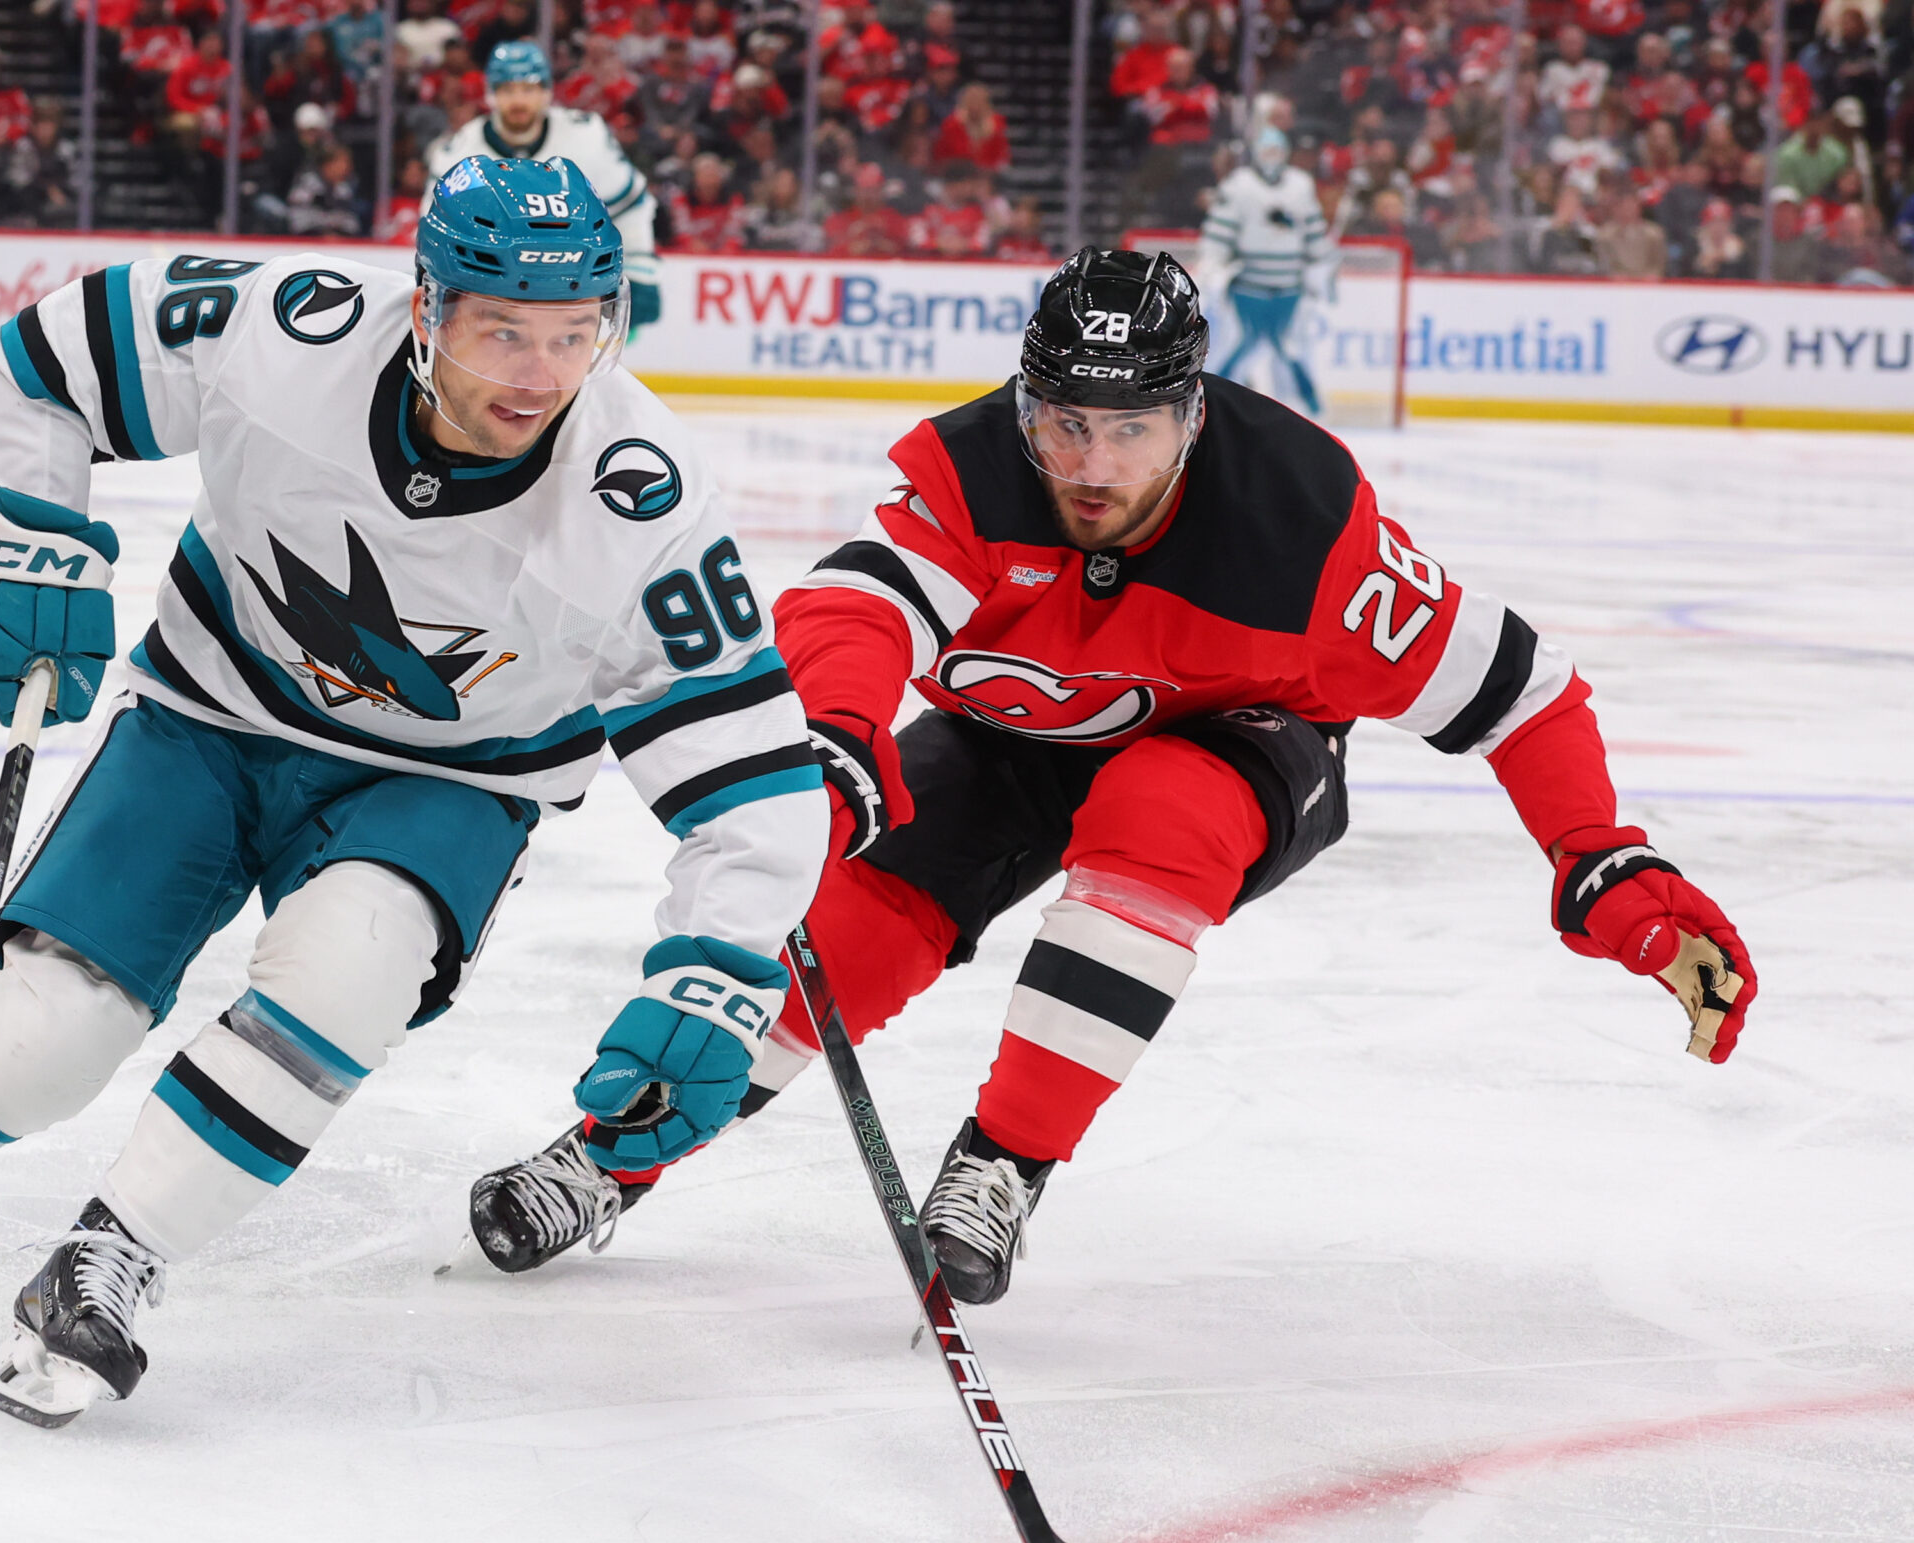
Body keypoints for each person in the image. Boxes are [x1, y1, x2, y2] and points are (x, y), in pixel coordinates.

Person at [0, 156, 828, 1425]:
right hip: (208, 716)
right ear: (425, 311)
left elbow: (745, 763)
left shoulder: (637, 496)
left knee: (348, 972)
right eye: (503, 333)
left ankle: (118, 1250)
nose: (539, 375)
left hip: (452, 784)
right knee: (43, 1035)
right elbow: (42, 364)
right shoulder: (283, 334)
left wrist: (721, 963)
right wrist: (25, 529)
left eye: (576, 336)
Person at [464, 248, 1757, 1298]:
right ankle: (610, 1157)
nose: (1089, 466)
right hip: (1018, 737)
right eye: (1064, 424)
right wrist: (843, 738)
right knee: (847, 926)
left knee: (1161, 813)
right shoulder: (973, 475)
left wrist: (1611, 867)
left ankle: (1004, 1164)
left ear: (1191, 415)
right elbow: (854, 608)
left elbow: (1521, 693)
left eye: (1128, 430)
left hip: (1245, 746)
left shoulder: (1307, 541)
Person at [423, 42, 664, 333]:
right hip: (495, 288)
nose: (519, 100)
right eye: (508, 90)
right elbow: (434, 228)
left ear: (546, 92)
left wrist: (640, 270)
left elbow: (630, 205)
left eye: (529, 89)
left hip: (576, 285)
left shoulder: (586, 136)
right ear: (491, 94)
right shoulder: (458, 153)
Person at [1199, 126, 1335, 416]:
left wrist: (1322, 265)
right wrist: (1213, 266)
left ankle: (1306, 410)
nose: (1271, 157)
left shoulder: (1300, 185)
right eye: (1266, 151)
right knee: (1240, 347)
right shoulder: (1239, 185)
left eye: (1276, 151)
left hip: (1290, 287)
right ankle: (1212, 402)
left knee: (1290, 349)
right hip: (1248, 286)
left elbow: (1313, 232)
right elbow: (1219, 233)